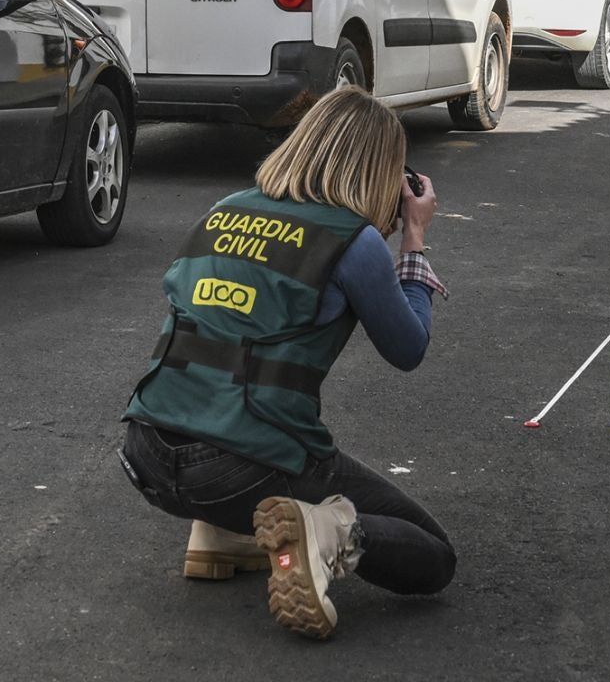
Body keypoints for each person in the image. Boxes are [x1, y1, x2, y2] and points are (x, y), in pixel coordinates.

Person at [117, 86, 454, 640]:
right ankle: (327, 533)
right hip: (241, 466)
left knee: (228, 398)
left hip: (148, 453)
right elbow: (407, 348)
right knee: (434, 555)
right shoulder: (353, 240)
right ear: (382, 173)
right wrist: (413, 239)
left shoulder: (223, 211)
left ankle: (219, 536)